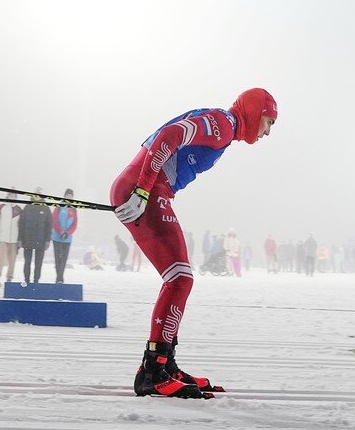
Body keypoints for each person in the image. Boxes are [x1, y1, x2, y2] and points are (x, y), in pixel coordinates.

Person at [110, 88, 277, 398]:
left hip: (144, 187)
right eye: (267, 122)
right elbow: (169, 136)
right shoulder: (223, 124)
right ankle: (153, 371)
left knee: (179, 278)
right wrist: (144, 188)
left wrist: (144, 186)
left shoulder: (223, 125)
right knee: (179, 278)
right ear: (254, 113)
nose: (267, 132)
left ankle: (164, 364)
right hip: (144, 188)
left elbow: (167, 138)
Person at [18, 188, 53, 284]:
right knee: (27, 262)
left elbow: (49, 226)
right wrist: (20, 239)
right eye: (35, 194)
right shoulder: (27, 207)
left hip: (41, 241)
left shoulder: (46, 208)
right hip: (27, 239)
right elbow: (21, 224)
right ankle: (26, 280)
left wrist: (47, 240)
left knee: (38, 263)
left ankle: (36, 280)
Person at [0, 191, 21, 287]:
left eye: (14, 196)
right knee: (1, 258)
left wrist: (20, 239)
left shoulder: (19, 209)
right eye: (11, 195)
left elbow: (21, 225)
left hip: (14, 239)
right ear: (7, 196)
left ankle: (9, 278)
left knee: (12, 259)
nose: (12, 197)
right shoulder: (2, 207)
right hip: (3, 238)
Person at [51, 188, 78, 284]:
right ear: (64, 195)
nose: (69, 197)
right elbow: (54, 221)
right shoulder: (58, 207)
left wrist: (67, 233)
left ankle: (60, 277)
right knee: (58, 258)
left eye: (71, 195)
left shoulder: (73, 209)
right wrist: (61, 231)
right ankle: (59, 277)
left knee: (64, 259)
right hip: (57, 237)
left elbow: (75, 224)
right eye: (67, 195)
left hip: (67, 239)